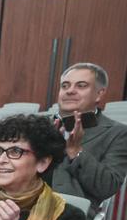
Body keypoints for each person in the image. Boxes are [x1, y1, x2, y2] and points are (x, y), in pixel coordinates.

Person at [50, 62, 127, 210]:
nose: (70, 91)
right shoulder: (38, 125)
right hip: (22, 210)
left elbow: (106, 187)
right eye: (65, 86)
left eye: (81, 85)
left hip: (71, 218)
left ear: (99, 94)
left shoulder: (117, 133)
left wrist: (76, 152)